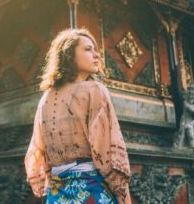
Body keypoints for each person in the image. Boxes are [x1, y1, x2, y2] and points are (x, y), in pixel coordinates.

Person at [25, 28, 131, 203]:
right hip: (91, 190)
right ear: (68, 54)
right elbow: (108, 154)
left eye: (96, 50)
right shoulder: (94, 90)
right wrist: (124, 199)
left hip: (57, 194)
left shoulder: (45, 98)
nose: (97, 55)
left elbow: (39, 152)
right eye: (88, 49)